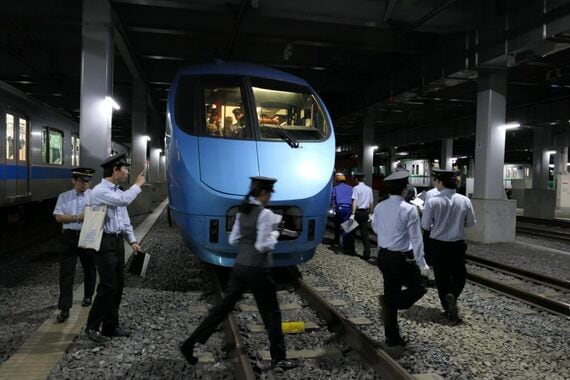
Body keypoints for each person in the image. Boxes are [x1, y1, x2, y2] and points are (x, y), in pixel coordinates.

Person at [180, 176, 298, 370]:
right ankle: (279, 358)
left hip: (240, 267)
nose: (270, 197)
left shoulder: (242, 212)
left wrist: (249, 239)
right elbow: (263, 245)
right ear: (263, 193)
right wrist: (276, 232)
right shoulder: (266, 214)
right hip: (259, 269)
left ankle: (189, 344)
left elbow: (234, 240)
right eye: (269, 193)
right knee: (271, 314)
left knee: (222, 308)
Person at [84, 153, 145, 344]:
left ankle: (110, 326)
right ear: (115, 170)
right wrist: (137, 185)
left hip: (117, 242)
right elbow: (124, 201)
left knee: (117, 285)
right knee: (107, 285)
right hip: (104, 242)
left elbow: (124, 220)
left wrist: (132, 240)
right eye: (125, 169)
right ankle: (92, 327)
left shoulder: (118, 191)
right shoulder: (100, 191)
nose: (127, 173)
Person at [371, 170, 430, 347]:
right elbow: (416, 239)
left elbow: (375, 228)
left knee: (391, 290)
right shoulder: (410, 209)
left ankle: (392, 337)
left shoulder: (380, 207)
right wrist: (422, 264)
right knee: (419, 287)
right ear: (405, 189)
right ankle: (390, 301)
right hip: (401, 258)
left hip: (383, 257)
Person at [421, 168, 476, 324]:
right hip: (457, 244)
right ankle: (453, 294)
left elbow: (425, 224)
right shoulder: (465, 200)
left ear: (442, 182)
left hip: (437, 244)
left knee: (441, 276)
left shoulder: (433, 201)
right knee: (459, 275)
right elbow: (470, 223)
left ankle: (447, 308)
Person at [53, 167, 97, 323]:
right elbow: (59, 217)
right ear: (74, 180)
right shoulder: (64, 197)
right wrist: (78, 217)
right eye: (81, 180)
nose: (85, 184)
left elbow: (96, 215)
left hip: (87, 235)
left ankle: (88, 295)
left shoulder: (94, 196)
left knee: (89, 267)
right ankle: (64, 308)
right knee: (66, 273)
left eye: (88, 181)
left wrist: (70, 217)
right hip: (69, 237)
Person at [348, 173, 374, 260]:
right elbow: (371, 202)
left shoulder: (355, 188)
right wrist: (370, 213)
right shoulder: (369, 189)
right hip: (365, 213)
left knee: (350, 231)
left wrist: (353, 213)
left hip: (358, 213)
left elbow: (354, 201)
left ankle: (351, 250)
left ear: (356, 179)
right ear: (363, 179)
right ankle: (367, 254)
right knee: (365, 234)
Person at [330, 173, 353, 251]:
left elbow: (333, 199)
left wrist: (333, 207)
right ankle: (346, 244)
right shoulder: (351, 188)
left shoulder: (335, 188)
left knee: (337, 226)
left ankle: (336, 240)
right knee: (347, 227)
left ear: (338, 181)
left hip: (339, 208)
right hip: (349, 209)